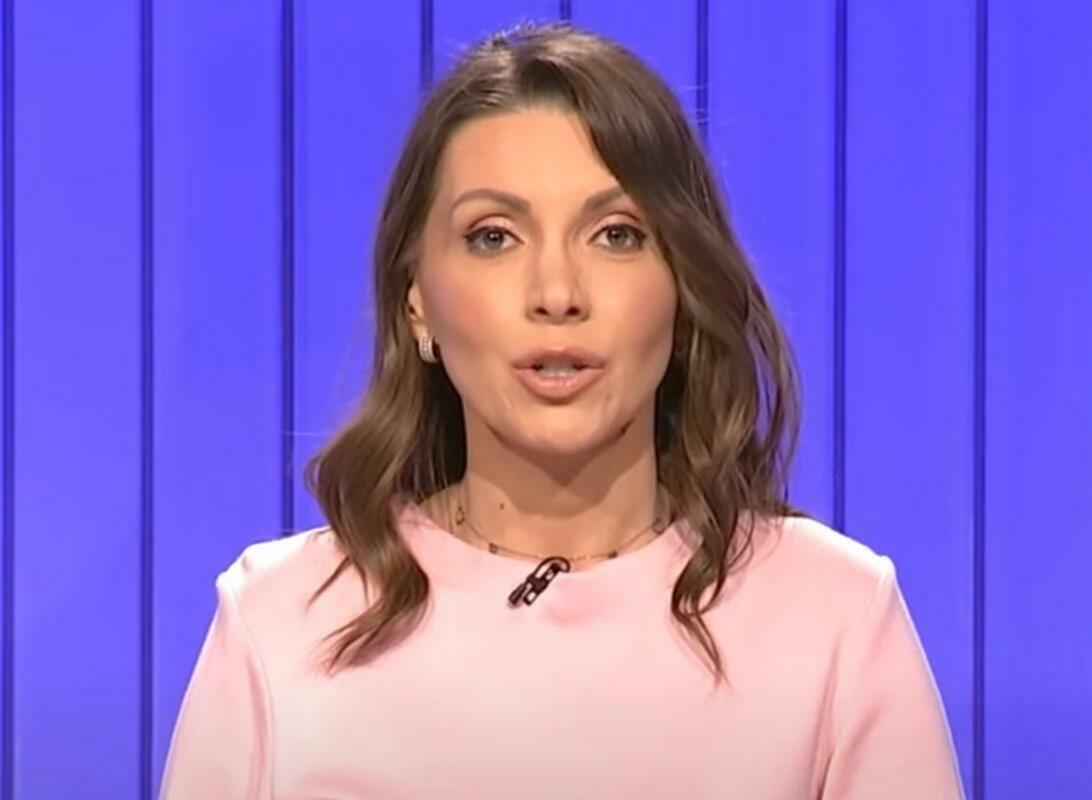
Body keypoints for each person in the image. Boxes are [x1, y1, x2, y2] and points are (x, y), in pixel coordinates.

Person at [159, 20, 965, 800]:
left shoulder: (833, 621)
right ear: (417, 302)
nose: (556, 293)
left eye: (615, 235)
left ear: (683, 287)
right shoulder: (280, 627)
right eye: (493, 237)